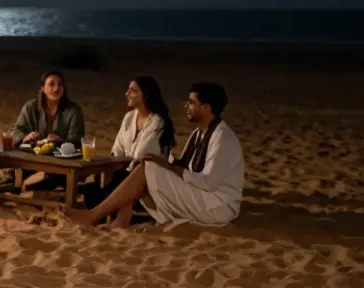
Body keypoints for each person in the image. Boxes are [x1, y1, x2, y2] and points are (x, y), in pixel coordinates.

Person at [65, 82, 244, 228]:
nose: (186, 106)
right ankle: (120, 220)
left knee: (146, 170)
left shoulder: (222, 138)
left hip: (218, 205)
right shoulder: (199, 133)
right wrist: (163, 163)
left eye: (191, 102)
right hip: (202, 194)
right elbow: (184, 167)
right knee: (144, 166)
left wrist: (167, 167)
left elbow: (208, 182)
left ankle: (92, 216)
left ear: (205, 107)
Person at [81, 75, 176, 211]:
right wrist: (110, 169)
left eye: (133, 90)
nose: (127, 94)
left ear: (146, 95)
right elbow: (117, 150)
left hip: (144, 180)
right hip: (124, 172)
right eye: (128, 89)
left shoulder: (158, 122)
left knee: (98, 191)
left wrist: (117, 171)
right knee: (96, 185)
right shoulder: (129, 117)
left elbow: (141, 155)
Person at [9, 70, 86, 191]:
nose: (56, 89)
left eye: (60, 84)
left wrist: (62, 141)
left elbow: (77, 140)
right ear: (43, 88)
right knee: (9, 176)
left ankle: (32, 189)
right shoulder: (31, 107)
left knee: (55, 180)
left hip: (60, 162)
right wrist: (25, 137)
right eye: (51, 84)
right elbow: (15, 132)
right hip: (32, 158)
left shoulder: (73, 111)